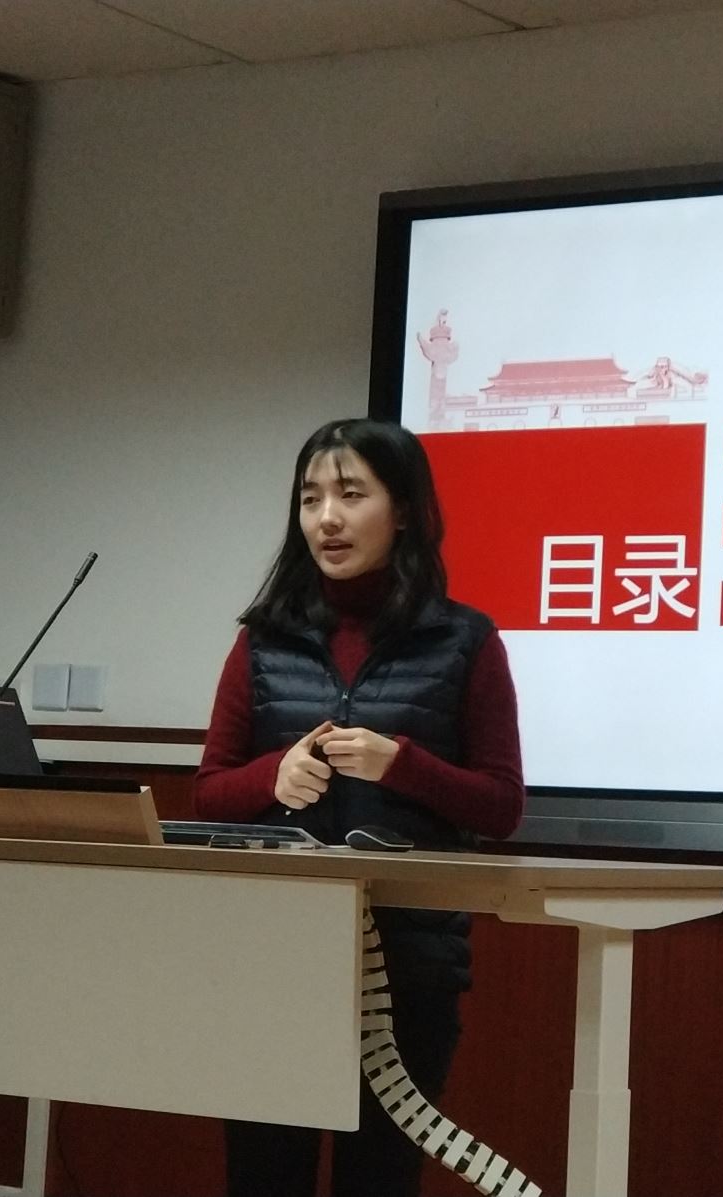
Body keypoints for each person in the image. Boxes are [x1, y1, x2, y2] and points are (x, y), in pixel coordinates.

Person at [195, 417, 524, 1197]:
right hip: (274, 955)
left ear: (402, 509)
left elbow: (501, 803)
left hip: (409, 962)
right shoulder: (263, 641)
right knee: (263, 1176)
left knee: (380, 1177)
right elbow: (209, 791)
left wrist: (401, 764)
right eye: (310, 499)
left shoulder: (464, 641)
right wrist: (274, 777)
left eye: (350, 494)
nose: (327, 518)